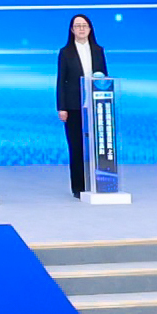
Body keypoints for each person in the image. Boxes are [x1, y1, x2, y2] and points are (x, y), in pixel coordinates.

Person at [56, 13, 109, 198]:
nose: (81, 29)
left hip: (96, 106)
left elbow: (105, 78)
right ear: (72, 30)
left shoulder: (98, 50)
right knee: (76, 147)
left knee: (97, 146)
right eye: (77, 26)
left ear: (90, 29)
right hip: (73, 106)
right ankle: (78, 187)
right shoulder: (65, 52)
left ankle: (98, 181)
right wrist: (61, 107)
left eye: (84, 25)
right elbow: (61, 81)